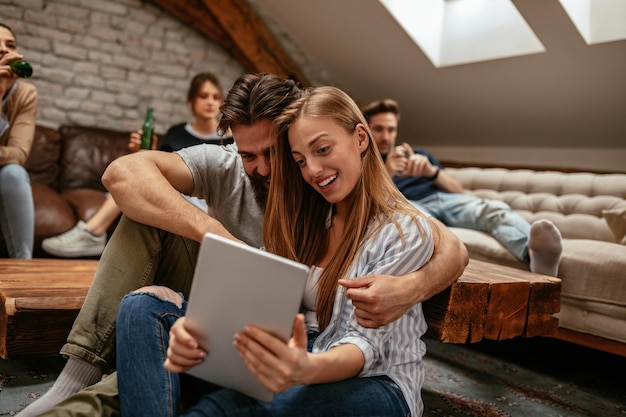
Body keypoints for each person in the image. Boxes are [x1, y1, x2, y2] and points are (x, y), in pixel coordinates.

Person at [24, 74, 467, 417]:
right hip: (236, 306)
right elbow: (122, 175)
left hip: (301, 343)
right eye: (247, 154)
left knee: (164, 393)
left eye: (275, 154)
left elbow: (441, 242)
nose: (260, 169)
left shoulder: (330, 189)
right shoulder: (233, 167)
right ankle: (74, 380)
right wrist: (217, 238)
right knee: (142, 286)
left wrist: (413, 287)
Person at [115, 85, 434, 417]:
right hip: (299, 352)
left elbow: (365, 348)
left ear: (361, 138)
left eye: (323, 149)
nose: (312, 170)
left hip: (375, 380)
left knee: (224, 409)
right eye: (299, 160)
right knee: (143, 308)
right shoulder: (310, 214)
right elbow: (260, 295)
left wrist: (302, 369)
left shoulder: (403, 229)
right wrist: (195, 327)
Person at [363, 98, 562, 277]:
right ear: (367, 129)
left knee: (491, 209)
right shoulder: (366, 164)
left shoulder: (420, 153)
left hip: (444, 199)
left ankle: (534, 255)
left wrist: (431, 171)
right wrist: (387, 171)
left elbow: (458, 190)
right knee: (418, 226)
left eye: (391, 129)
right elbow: (370, 204)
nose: (386, 136)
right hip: (410, 205)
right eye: (379, 129)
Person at [41, 72, 232, 258]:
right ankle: (92, 232)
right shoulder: (176, 133)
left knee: (137, 183)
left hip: (201, 198)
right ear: (191, 100)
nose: (210, 102)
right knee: (132, 179)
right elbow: (161, 168)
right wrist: (144, 154)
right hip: (170, 189)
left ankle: (92, 232)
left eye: (215, 97)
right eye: (203, 96)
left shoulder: (229, 139)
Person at [0, 23, 37, 259]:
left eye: (10, 45)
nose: (4, 50)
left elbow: (19, 154)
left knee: (13, 172)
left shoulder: (25, 93)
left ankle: (23, 266)